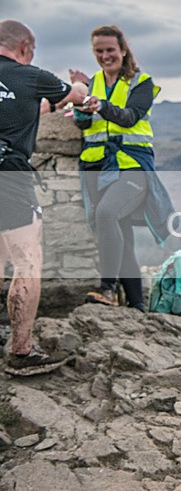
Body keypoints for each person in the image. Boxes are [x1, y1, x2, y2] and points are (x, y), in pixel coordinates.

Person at [0, 19, 88, 376]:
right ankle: (21, 351)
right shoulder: (32, 75)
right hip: (8, 173)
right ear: (25, 47)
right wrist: (80, 81)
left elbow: (28, 110)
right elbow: (77, 97)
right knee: (27, 261)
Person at [71, 25, 173, 313]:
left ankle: (107, 288)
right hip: (96, 167)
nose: (105, 56)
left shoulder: (141, 82)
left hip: (131, 166)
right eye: (99, 51)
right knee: (122, 234)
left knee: (107, 213)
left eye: (110, 50)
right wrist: (81, 101)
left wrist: (100, 104)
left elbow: (129, 118)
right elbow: (82, 124)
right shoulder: (92, 83)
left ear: (123, 50)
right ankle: (138, 305)